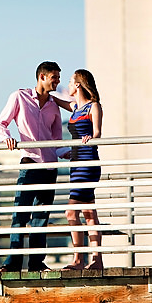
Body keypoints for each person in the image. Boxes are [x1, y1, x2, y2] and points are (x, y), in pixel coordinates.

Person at [0, 61, 64, 272]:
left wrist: (68, 152)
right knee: (20, 216)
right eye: (55, 78)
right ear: (42, 77)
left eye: (59, 78)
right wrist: (7, 138)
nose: (58, 82)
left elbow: (57, 140)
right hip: (30, 162)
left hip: (50, 167)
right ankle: (12, 264)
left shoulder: (54, 105)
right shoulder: (19, 96)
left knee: (41, 218)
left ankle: (36, 264)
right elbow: (0, 123)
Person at [54, 69, 104, 270]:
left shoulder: (94, 106)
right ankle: (97, 260)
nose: (66, 85)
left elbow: (98, 132)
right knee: (89, 212)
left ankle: (78, 259)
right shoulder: (75, 107)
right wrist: (42, 94)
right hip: (75, 162)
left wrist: (90, 137)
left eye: (69, 81)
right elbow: (57, 100)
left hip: (88, 160)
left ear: (78, 84)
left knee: (70, 212)